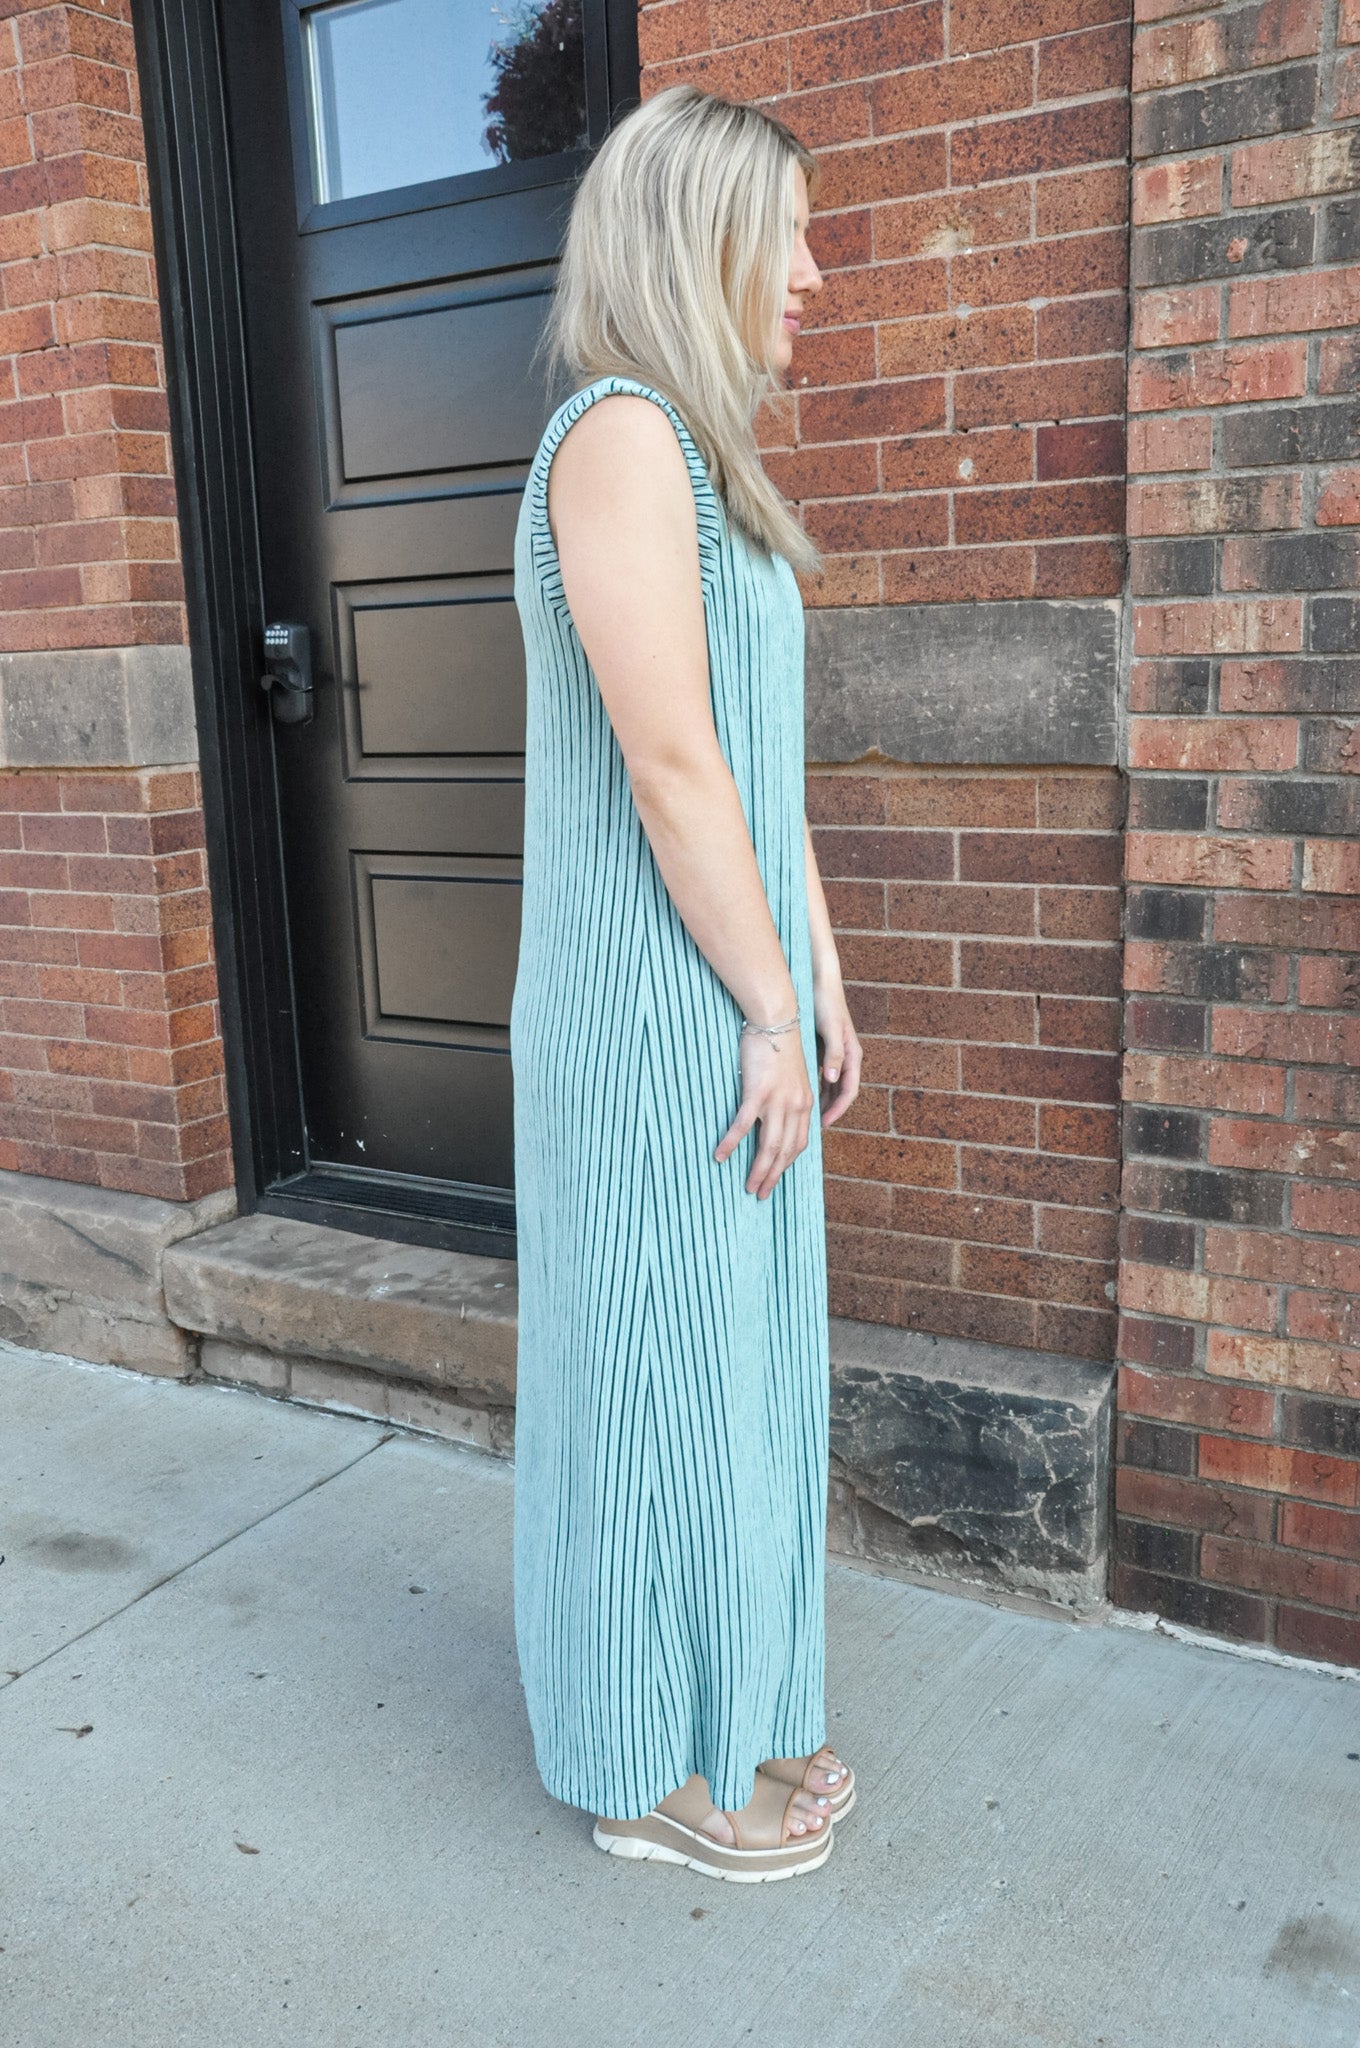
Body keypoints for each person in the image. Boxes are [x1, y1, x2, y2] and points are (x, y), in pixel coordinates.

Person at [509, 81, 863, 1884]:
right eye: (786, 232)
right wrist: (763, 1007)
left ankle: (741, 1696)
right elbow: (666, 765)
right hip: (652, 1017)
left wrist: (816, 978)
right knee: (655, 1378)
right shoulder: (620, 436)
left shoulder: (708, 461)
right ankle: (646, 1761)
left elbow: (753, 768)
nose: (813, 271)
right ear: (698, 237)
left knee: (741, 1369)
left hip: (729, 995)